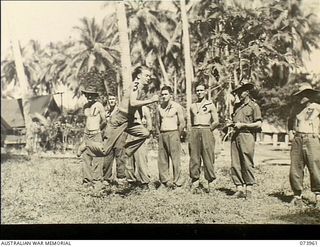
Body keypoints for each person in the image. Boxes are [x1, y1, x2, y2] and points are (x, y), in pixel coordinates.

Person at [82, 66, 159, 161]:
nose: (149, 78)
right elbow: (133, 103)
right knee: (105, 150)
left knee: (145, 133)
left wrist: (140, 117)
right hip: (119, 119)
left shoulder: (142, 89)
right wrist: (151, 100)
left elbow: (136, 105)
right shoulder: (135, 85)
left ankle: (126, 152)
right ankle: (87, 144)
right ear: (139, 76)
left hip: (129, 119)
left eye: (149, 76)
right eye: (146, 76)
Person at [287, 83, 320, 208]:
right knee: (295, 168)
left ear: (310, 95)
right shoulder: (295, 108)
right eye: (299, 94)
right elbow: (290, 122)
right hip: (298, 139)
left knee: (315, 167)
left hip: (312, 139)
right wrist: (291, 133)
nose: (301, 97)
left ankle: (318, 197)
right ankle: (297, 197)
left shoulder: (317, 107)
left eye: (304, 94)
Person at [229, 81, 262, 199]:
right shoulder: (237, 107)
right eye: (237, 91)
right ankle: (239, 188)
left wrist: (243, 125)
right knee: (235, 163)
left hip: (247, 135)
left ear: (247, 92)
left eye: (241, 91)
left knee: (247, 161)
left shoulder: (254, 106)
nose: (238, 93)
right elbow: (235, 121)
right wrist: (231, 124)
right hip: (235, 136)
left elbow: (258, 124)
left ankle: (249, 188)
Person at [189, 83, 219, 193]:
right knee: (194, 157)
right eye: (197, 90)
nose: (199, 92)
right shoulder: (192, 106)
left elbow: (216, 121)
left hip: (206, 130)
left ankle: (211, 182)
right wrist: (194, 130)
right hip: (195, 130)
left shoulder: (210, 104)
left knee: (208, 157)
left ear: (205, 91)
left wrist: (208, 129)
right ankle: (195, 182)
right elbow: (192, 121)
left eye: (201, 90)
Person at [157, 85, 185, 189]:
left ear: (171, 95)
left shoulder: (177, 106)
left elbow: (182, 123)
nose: (163, 96)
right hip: (163, 134)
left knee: (175, 159)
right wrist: (159, 134)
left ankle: (177, 182)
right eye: (162, 94)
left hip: (174, 133)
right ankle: (165, 181)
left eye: (166, 94)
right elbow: (158, 122)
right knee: (162, 159)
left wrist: (178, 134)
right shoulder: (159, 107)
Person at [77, 85, 106, 188]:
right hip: (86, 134)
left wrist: (98, 130)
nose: (89, 96)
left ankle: (97, 181)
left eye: (91, 95)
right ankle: (87, 181)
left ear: (95, 96)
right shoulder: (85, 106)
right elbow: (87, 121)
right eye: (87, 94)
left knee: (98, 157)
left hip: (96, 134)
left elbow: (104, 121)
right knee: (85, 157)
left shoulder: (99, 105)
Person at [125, 105, 152, 190]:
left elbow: (149, 125)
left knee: (141, 161)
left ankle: (145, 182)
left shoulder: (144, 109)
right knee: (128, 161)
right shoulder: (126, 108)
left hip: (140, 137)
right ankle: (131, 181)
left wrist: (146, 138)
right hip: (129, 137)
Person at [102, 94, 127, 184]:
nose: (111, 101)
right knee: (107, 157)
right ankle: (106, 178)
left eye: (113, 99)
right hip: (108, 138)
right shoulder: (106, 112)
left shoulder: (120, 111)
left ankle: (121, 178)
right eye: (110, 99)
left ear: (116, 100)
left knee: (120, 157)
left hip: (119, 137)